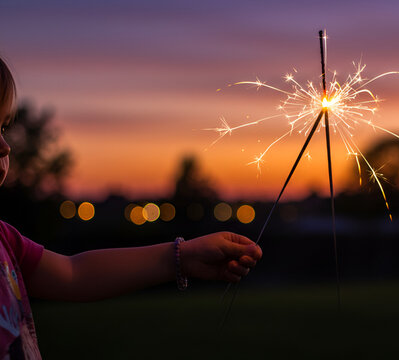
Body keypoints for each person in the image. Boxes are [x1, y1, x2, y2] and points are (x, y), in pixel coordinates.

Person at [0, 56, 262, 359]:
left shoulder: (5, 241)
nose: (5, 146)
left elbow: (74, 274)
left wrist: (184, 257)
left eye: (3, 126)